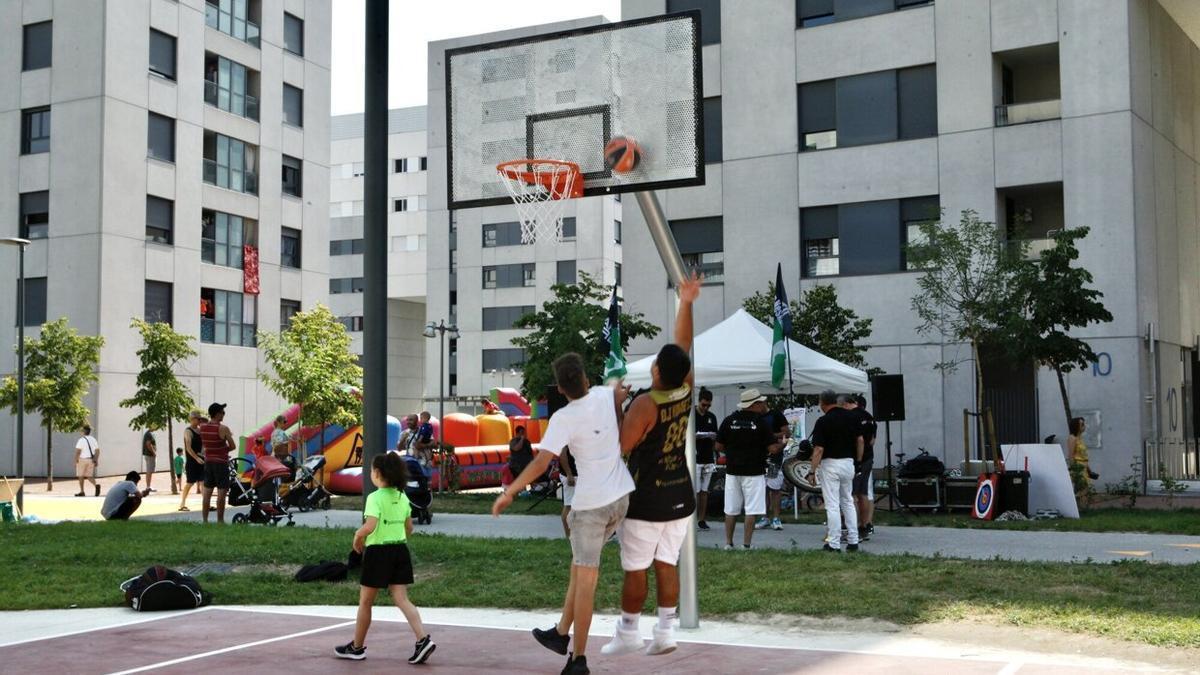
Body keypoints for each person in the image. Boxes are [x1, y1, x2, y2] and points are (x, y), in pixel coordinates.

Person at [492, 352, 634, 675]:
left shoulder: (564, 419)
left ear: (559, 388)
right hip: (621, 499)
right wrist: (618, 398)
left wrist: (509, 493)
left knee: (586, 581)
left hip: (591, 506)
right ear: (585, 379)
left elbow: (541, 463)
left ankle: (579, 659)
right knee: (578, 568)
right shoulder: (604, 393)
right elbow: (618, 393)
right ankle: (559, 634)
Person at [601, 271, 700, 659]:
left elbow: (622, 447)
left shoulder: (646, 403)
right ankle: (666, 630)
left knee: (636, 568)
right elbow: (684, 345)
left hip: (647, 498)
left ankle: (628, 632)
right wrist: (686, 302)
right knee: (666, 563)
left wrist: (614, 401)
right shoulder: (686, 386)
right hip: (680, 492)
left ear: (657, 371)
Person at [334, 453, 435, 664]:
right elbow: (409, 528)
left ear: (378, 474)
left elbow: (370, 525)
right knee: (402, 599)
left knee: (365, 602)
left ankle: (357, 647)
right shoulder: (402, 497)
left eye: (371, 470)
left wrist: (358, 535)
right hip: (400, 551)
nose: (370, 473)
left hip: (378, 553)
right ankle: (422, 639)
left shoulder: (374, 498)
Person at [716, 390, 783, 550]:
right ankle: (746, 545)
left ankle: (728, 543)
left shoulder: (729, 420)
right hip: (754, 471)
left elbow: (718, 446)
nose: (763, 405)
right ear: (754, 405)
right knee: (751, 509)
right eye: (760, 402)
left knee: (731, 509)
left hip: (732, 470)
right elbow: (773, 449)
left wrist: (733, 452)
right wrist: (784, 444)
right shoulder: (761, 423)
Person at [806, 391, 864, 552]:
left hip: (830, 464)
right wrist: (858, 461)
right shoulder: (853, 417)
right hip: (849, 463)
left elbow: (818, 449)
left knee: (832, 505)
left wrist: (812, 471)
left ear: (822, 403)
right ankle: (853, 541)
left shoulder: (823, 421)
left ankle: (834, 543)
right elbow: (860, 440)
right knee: (848, 501)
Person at [845, 394, 877, 541]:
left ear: (847, 403)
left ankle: (854, 528)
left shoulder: (851, 417)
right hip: (869, 459)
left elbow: (860, 441)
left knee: (851, 495)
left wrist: (857, 459)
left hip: (856, 459)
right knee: (863, 493)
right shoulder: (870, 417)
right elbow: (871, 441)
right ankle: (864, 525)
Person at [200, 402, 237, 524]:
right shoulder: (223, 428)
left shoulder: (203, 427)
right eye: (222, 412)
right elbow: (233, 446)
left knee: (207, 493)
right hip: (221, 463)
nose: (224, 415)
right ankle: (220, 521)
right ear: (217, 414)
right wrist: (222, 449)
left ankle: (205, 520)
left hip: (208, 463)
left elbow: (206, 445)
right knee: (221, 493)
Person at [755, 408, 790, 531]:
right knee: (762, 488)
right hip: (759, 457)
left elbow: (787, 433)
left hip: (774, 457)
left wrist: (770, 435)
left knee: (774, 488)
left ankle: (776, 518)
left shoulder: (776, 414)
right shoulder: (755, 415)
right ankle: (764, 518)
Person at [694, 388, 719, 530]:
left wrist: (713, 437)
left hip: (708, 457)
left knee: (704, 491)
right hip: (695, 458)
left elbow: (715, 434)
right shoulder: (692, 414)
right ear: (699, 401)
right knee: (695, 491)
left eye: (708, 405)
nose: (706, 408)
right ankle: (692, 518)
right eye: (704, 405)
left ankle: (702, 519)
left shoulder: (712, 417)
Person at [179, 410, 206, 511]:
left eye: (200, 419)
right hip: (192, 461)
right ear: (192, 419)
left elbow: (203, 446)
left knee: (203, 482)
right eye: (198, 419)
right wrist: (197, 458)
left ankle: (205, 504)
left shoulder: (200, 431)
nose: (199, 420)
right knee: (190, 482)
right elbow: (188, 448)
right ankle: (182, 504)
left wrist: (202, 455)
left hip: (200, 460)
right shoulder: (188, 431)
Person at [1067, 417, 1098, 503]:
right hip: (1078, 467)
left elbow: (1083, 456)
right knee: (1083, 489)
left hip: (1084, 467)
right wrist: (1074, 470)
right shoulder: (1072, 438)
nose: (1084, 426)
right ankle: (1081, 508)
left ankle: (1082, 508)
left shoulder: (1080, 439)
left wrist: (1089, 470)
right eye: (1082, 424)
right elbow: (1071, 455)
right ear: (1076, 426)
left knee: (1085, 489)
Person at [74, 425, 101, 497]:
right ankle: (96, 485)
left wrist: (75, 460)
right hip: (91, 460)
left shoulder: (81, 440)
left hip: (82, 459)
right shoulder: (93, 439)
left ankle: (82, 491)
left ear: (84, 431)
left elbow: (78, 451)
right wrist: (96, 460)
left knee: (80, 476)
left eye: (82, 430)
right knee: (89, 476)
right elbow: (97, 451)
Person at [559, 446, 577, 537]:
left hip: (579, 474)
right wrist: (569, 474)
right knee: (569, 505)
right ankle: (569, 536)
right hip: (572, 475)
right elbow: (562, 454)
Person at [142, 429, 158, 493]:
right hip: (149, 455)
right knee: (149, 471)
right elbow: (148, 444)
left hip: (149, 455)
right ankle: (148, 487)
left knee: (150, 471)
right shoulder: (149, 434)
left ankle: (149, 486)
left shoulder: (149, 433)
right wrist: (154, 452)